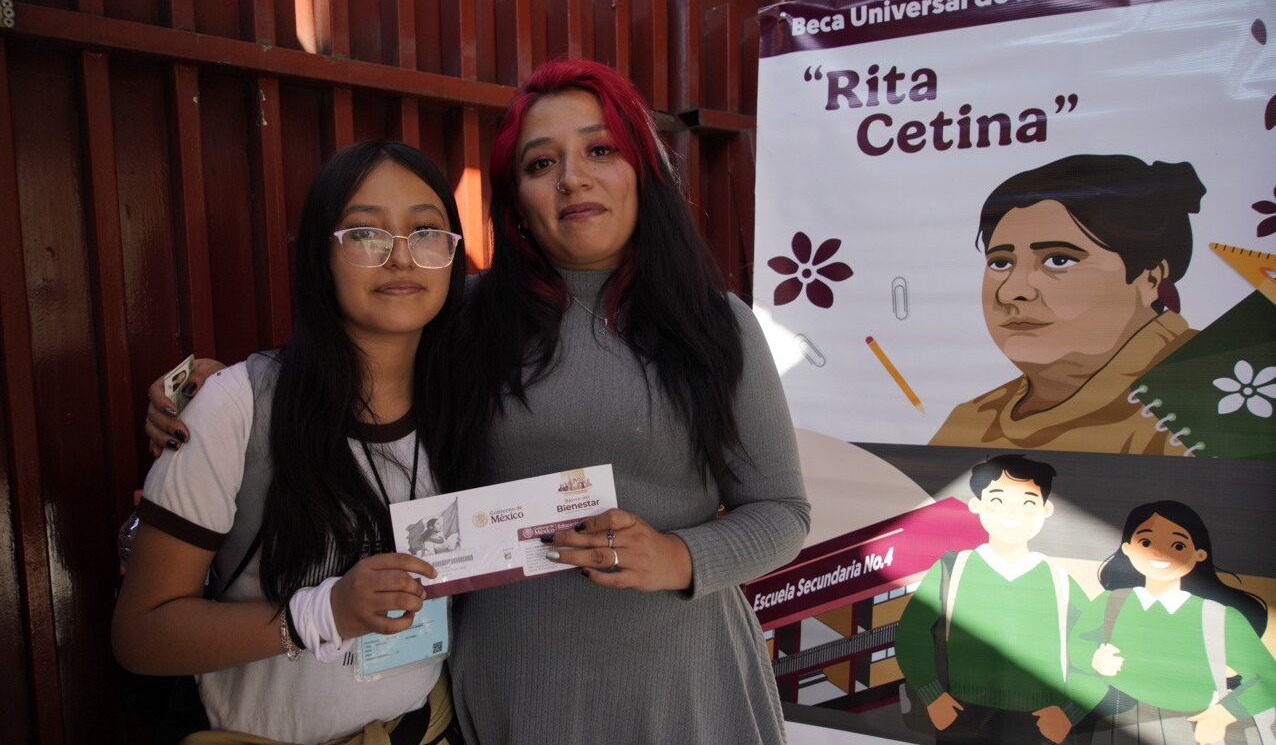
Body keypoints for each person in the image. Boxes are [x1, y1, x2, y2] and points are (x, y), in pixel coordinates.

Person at [143, 58, 810, 744]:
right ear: (514, 198)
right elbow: (349, 361)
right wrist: (213, 390)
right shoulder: (463, 315)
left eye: (601, 150)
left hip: (683, 685)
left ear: (643, 168)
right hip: (510, 686)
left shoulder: (716, 325)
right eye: (540, 163)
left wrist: (677, 556)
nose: (573, 178)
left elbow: (784, 512)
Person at [114, 141, 467, 744]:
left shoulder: (468, 404)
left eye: (426, 231)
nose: (401, 258)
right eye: (365, 233)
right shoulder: (237, 405)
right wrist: (319, 615)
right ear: (319, 258)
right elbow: (141, 634)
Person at [929, 154, 1206, 456]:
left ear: (1149, 278)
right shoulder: (973, 419)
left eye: (1058, 260)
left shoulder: (1210, 395)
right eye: (1000, 262)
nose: (1011, 291)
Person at [895, 454, 1090, 744]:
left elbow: (1096, 650)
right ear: (977, 504)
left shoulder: (1058, 580)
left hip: (1037, 721)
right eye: (998, 500)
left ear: (1046, 509)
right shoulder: (953, 568)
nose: (1012, 513)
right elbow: (911, 633)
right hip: (960, 713)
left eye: (1028, 503)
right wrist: (933, 696)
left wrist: (1069, 713)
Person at [1068, 501, 1276, 744]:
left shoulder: (1217, 616)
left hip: (1192, 724)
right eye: (1146, 543)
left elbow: (1267, 678)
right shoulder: (1112, 601)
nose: (1158, 553)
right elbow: (1076, 645)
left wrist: (1221, 716)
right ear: (1128, 548)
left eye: (1178, 545)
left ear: (1199, 554)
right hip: (1117, 719)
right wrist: (1094, 658)